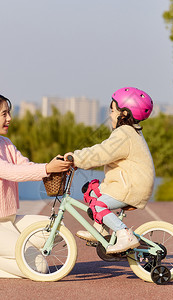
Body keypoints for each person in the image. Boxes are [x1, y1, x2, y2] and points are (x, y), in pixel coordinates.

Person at [0, 92, 71, 278]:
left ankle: (7, 251)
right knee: (39, 267)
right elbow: (10, 172)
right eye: (3, 114)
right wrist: (47, 168)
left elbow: (24, 166)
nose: (9, 118)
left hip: (10, 220)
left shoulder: (5, 143)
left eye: (8, 113)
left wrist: (53, 168)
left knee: (58, 230)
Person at [65, 87, 155, 254]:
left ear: (125, 114)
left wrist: (76, 158)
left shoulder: (124, 134)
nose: (110, 115)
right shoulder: (130, 132)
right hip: (126, 183)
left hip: (131, 186)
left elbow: (101, 153)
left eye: (112, 110)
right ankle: (100, 231)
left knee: (98, 206)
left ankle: (124, 234)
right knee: (92, 191)